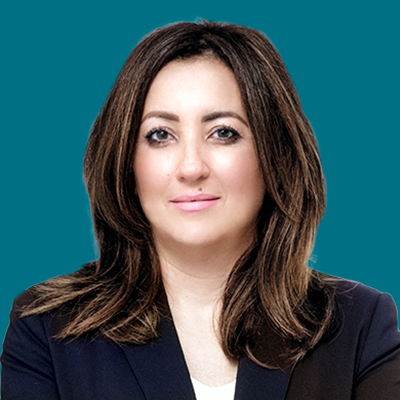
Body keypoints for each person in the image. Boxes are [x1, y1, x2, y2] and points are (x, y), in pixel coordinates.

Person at [1, 20, 399, 400]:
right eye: (160, 135)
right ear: (126, 162)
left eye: (223, 133)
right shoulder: (47, 329)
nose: (191, 167)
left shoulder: (360, 324)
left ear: (274, 154)